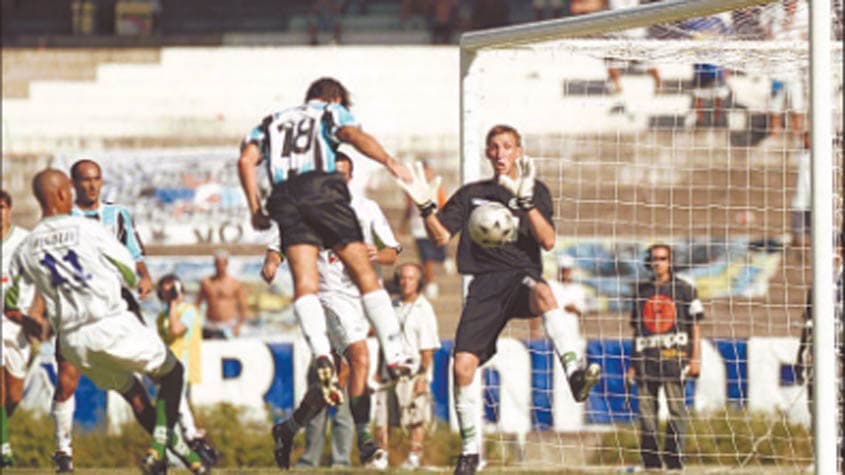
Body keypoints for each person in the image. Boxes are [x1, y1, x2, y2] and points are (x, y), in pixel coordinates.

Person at [397, 124, 601, 475]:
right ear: (488, 153)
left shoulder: (534, 190)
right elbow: (442, 235)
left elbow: (549, 241)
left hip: (520, 277)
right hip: (484, 286)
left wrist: (526, 204)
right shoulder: (473, 193)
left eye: (507, 146)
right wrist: (425, 206)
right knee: (462, 366)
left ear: (518, 151)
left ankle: (574, 373)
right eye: (494, 147)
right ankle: (471, 453)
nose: (500, 152)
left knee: (543, 291)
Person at [3, 169, 208, 475]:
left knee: (135, 394)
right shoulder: (88, 229)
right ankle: (158, 448)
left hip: (73, 342)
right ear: (62, 194)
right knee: (172, 372)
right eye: (70, 190)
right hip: (108, 323)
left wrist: (39, 321)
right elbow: (127, 272)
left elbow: (11, 303)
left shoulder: (26, 246)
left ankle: (192, 463)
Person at [258, 151, 403, 468]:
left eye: (343, 174)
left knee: (336, 381)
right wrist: (271, 262)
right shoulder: (305, 208)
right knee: (360, 356)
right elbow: (277, 244)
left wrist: (377, 254)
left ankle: (287, 429)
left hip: (357, 299)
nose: (338, 180)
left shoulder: (367, 209)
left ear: (350, 178)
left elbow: (394, 253)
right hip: (323, 298)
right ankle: (364, 439)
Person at [48, 158, 155, 472]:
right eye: (85, 180)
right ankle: (63, 451)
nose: (92, 185)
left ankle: (172, 443)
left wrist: (144, 277)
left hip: (116, 303)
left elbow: (135, 255)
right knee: (67, 380)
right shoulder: (62, 219)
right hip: (76, 305)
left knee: (149, 372)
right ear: (73, 184)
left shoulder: (117, 215)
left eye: (96, 179)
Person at [626, 243, 704, 471]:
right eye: (654, 258)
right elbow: (636, 329)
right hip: (646, 361)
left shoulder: (685, 289)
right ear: (648, 262)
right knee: (646, 415)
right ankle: (650, 462)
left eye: (662, 258)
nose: (658, 263)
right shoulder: (641, 292)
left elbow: (696, 326)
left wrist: (695, 358)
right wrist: (633, 362)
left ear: (670, 261)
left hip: (674, 359)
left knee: (677, 411)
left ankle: (674, 459)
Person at [374, 262, 441, 470]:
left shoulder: (424, 308)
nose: (405, 282)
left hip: (413, 371)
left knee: (415, 417)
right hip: (390, 369)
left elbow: (428, 348)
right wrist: (378, 368)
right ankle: (381, 456)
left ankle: (414, 456)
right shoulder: (392, 307)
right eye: (402, 277)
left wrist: (422, 377)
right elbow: (383, 340)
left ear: (418, 281)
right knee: (382, 416)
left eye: (410, 278)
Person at [1, 189, 47, 468]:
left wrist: (37, 312)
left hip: (18, 324)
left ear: (9, 209)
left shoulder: (25, 241)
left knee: (14, 395)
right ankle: (4, 448)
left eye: (2, 207)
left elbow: (42, 279)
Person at [155, 274, 218, 467]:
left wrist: (174, 305)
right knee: (169, 409)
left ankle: (192, 437)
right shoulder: (160, 317)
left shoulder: (189, 311)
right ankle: (185, 448)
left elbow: (176, 330)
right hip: (167, 366)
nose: (170, 294)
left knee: (176, 404)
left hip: (183, 365)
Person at [402, 160, 448, 299]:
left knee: (438, 254)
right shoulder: (411, 188)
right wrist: (403, 224)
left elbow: (443, 206)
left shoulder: (437, 187)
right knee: (426, 257)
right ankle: (431, 283)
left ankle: (445, 260)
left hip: (435, 227)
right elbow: (409, 207)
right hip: (418, 228)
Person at [531, 254, 586, 342]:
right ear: (559, 270)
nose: (565, 272)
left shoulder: (577, 289)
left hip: (571, 336)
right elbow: (537, 309)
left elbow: (582, 313)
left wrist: (574, 309)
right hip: (550, 336)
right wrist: (534, 331)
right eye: (563, 270)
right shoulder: (549, 286)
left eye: (568, 270)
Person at [196, 250, 248, 339]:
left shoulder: (234, 283)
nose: (219, 267)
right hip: (210, 324)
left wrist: (238, 325)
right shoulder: (206, 282)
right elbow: (197, 303)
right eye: (217, 264)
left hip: (229, 325)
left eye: (222, 264)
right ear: (214, 264)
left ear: (226, 264)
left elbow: (243, 306)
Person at [790, 131, 811, 251]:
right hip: (801, 191)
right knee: (798, 214)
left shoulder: (819, 154)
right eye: (805, 139)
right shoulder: (800, 153)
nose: (806, 141)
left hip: (813, 193)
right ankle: (798, 242)